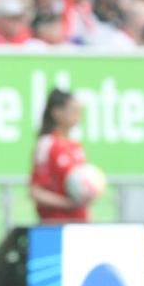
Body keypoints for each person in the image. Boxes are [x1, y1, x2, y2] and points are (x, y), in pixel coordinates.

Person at [30, 89, 92, 223]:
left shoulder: (77, 146)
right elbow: (36, 192)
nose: (78, 115)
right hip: (55, 225)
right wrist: (67, 203)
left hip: (80, 223)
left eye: (79, 110)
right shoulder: (47, 144)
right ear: (57, 112)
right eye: (73, 110)